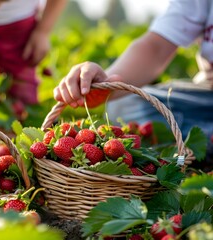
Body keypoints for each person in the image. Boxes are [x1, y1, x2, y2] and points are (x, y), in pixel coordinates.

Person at [53, 0, 213, 161]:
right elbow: (155, 48)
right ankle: (200, 141)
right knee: (123, 104)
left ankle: (194, 143)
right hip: (204, 96)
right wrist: (105, 82)